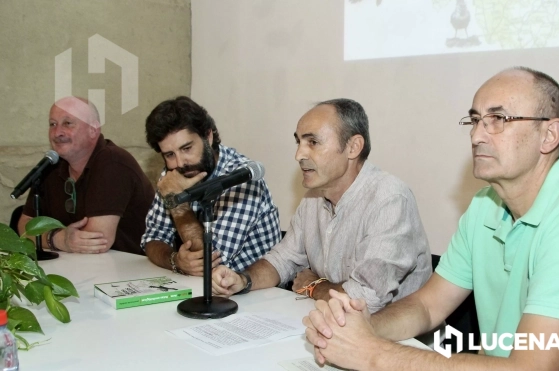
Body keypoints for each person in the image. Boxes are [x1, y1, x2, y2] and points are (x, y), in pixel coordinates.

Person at [304, 68, 559, 370]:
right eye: (474, 120)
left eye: (498, 120)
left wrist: (373, 354)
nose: (476, 135)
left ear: (549, 135)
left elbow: (529, 369)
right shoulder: (485, 206)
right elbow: (428, 307)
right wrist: (362, 328)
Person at [211, 98, 432, 313]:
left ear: (353, 147)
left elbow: (364, 299)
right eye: (298, 142)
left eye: (313, 142)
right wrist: (242, 280)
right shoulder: (313, 198)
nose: (298, 154)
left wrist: (314, 285)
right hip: (335, 323)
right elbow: (283, 260)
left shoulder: (389, 199)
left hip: (401, 340)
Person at [141, 96, 280, 276]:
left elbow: (211, 261)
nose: (180, 163)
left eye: (187, 148)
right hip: (203, 288)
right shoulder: (173, 176)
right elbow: (152, 238)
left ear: (208, 136)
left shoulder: (241, 178)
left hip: (255, 294)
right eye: (169, 155)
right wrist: (175, 260)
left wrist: (177, 204)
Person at [18, 96, 155, 255]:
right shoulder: (51, 166)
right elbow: (24, 227)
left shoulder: (112, 162)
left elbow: (96, 241)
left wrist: (50, 237)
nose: (57, 132)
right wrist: (58, 239)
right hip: (81, 267)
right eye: (52, 124)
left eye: (68, 123)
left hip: (133, 272)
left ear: (93, 130)